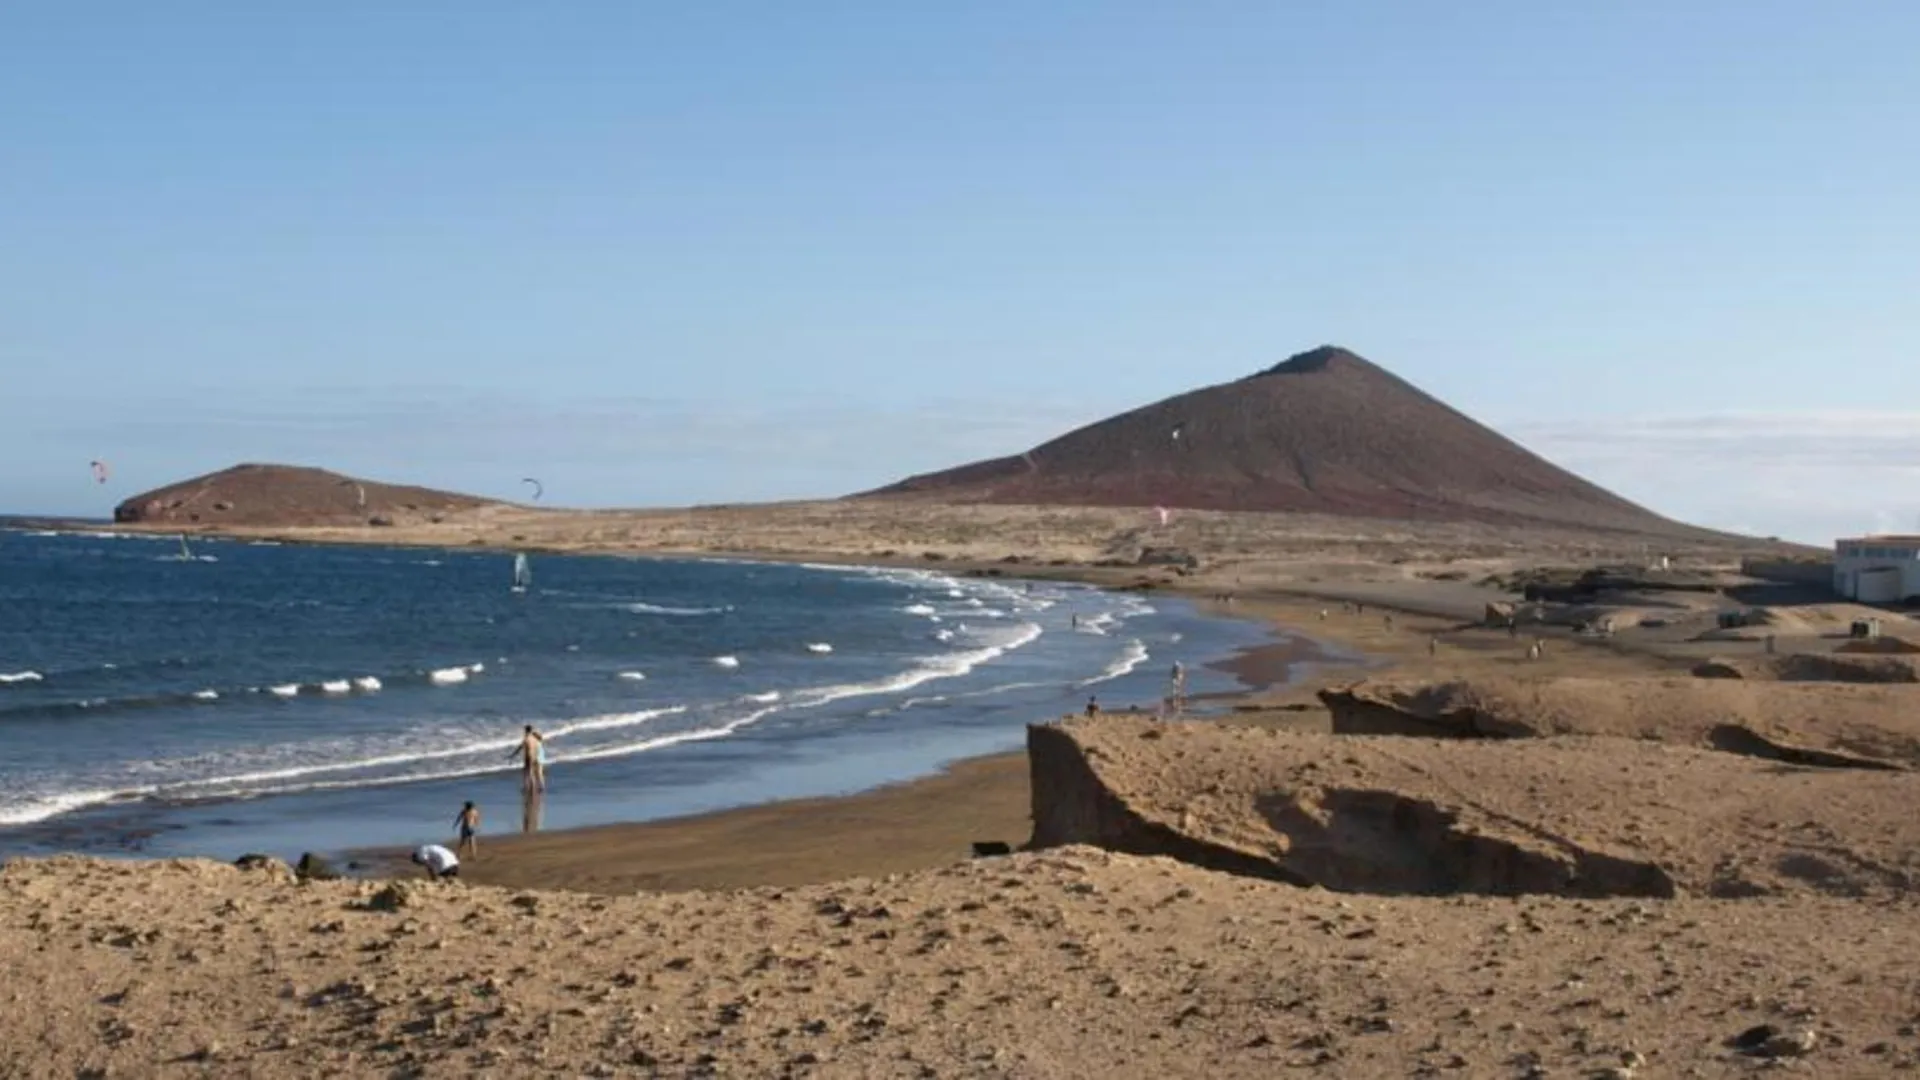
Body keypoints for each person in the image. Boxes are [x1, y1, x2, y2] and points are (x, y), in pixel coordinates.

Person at [508, 724, 546, 792]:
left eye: (524, 730)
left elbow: (520, 748)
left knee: (527, 772)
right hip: (534, 756)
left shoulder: (526, 739)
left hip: (528, 757)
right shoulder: (535, 739)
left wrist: (512, 755)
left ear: (526, 730)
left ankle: (529, 788)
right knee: (532, 772)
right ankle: (535, 787)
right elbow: (538, 748)